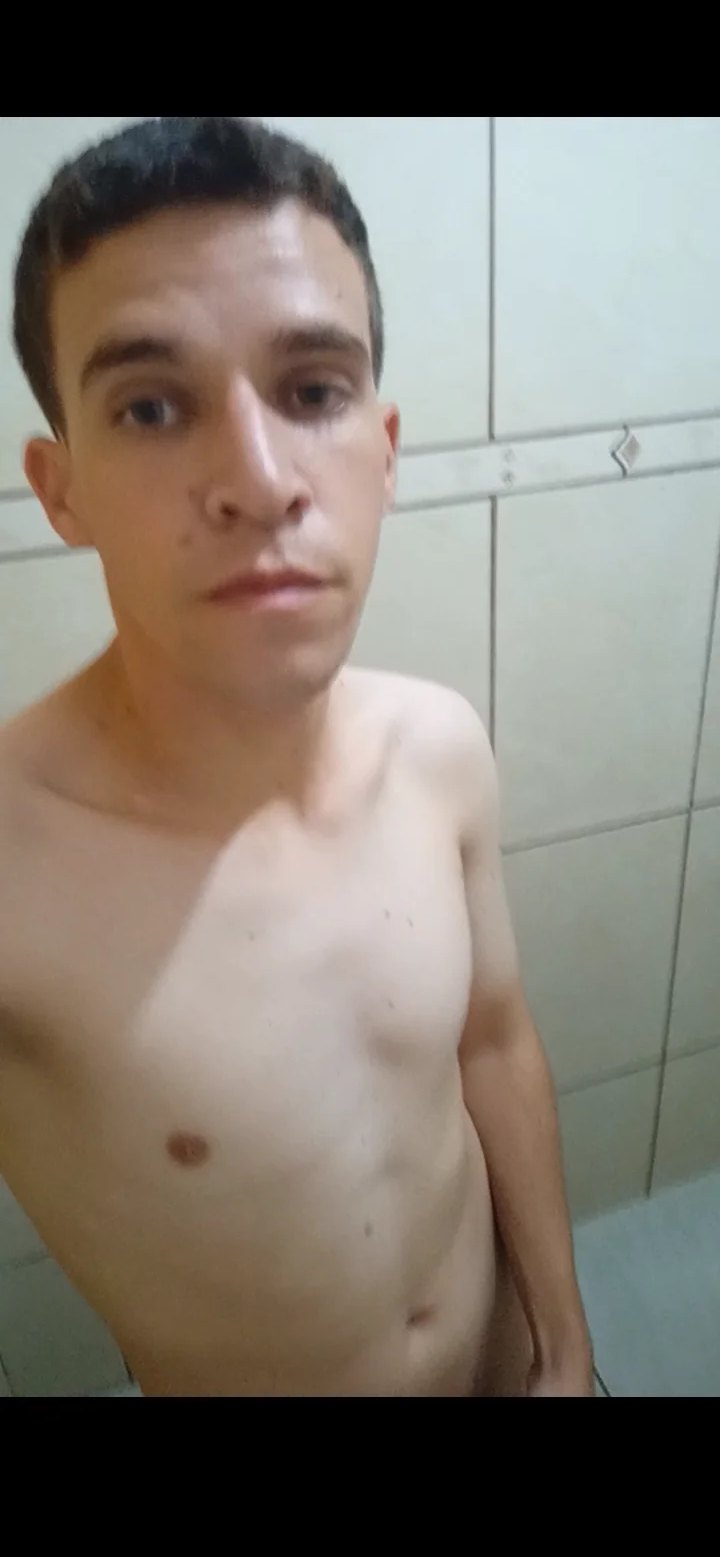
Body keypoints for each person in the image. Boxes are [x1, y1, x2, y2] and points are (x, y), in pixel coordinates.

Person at [0, 117, 593, 1397]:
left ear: (384, 449)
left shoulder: (438, 745)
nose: (260, 481)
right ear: (62, 490)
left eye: (315, 391)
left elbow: (494, 1045)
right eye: (151, 407)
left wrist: (566, 1340)